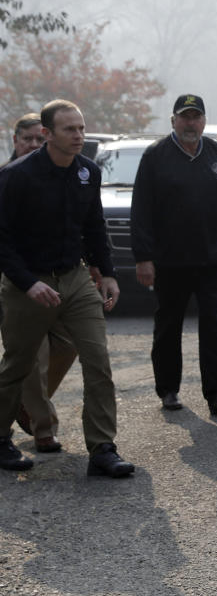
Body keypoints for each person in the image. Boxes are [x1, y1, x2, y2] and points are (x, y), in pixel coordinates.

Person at [0, 99, 134, 476]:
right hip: (27, 280)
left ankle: (103, 448)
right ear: (47, 134)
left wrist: (105, 272)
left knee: (98, 360)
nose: (79, 136)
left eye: (81, 128)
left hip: (73, 278)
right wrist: (28, 284)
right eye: (69, 130)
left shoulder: (88, 172)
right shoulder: (18, 176)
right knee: (17, 365)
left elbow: (94, 226)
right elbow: (2, 240)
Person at [130, 94, 217, 416]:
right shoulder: (156, 156)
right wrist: (143, 256)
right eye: (185, 117)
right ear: (173, 121)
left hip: (213, 258)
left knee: (215, 326)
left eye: (196, 117)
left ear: (204, 121)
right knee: (168, 325)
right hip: (171, 260)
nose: (190, 123)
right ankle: (168, 389)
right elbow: (142, 210)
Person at [2, 113, 80, 453]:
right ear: (15, 141)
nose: (33, 145)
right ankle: (42, 426)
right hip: (13, 279)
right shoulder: (7, 177)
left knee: (67, 344)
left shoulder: (60, 174)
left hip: (55, 278)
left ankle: (24, 402)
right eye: (27, 139)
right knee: (26, 356)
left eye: (38, 139)